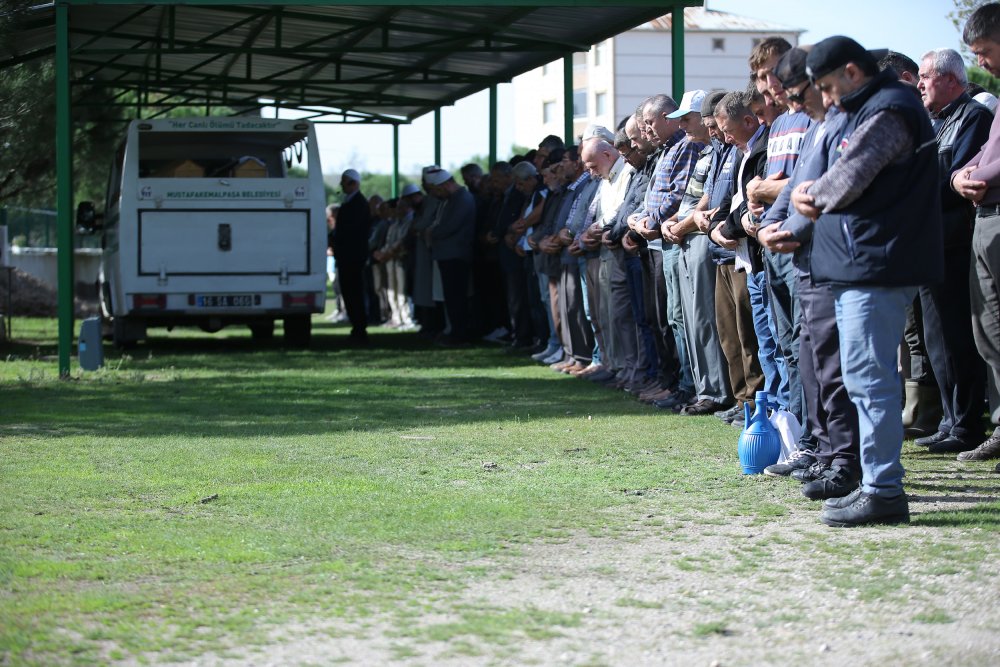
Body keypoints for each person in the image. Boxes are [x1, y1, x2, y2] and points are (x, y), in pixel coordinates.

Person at [794, 36, 941, 526]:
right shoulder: (873, 105)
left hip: (877, 265)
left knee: (870, 380)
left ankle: (883, 491)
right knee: (863, 378)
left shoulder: (889, 109)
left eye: (828, 87)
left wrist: (809, 194)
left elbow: (849, 177)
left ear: (853, 72)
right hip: (863, 263)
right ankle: (877, 484)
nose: (827, 99)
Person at [912, 48, 993, 455]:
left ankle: (966, 423)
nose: (919, 84)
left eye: (925, 76)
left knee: (957, 336)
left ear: (949, 79)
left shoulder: (973, 117)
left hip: (956, 243)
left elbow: (956, 181)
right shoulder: (934, 121)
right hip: (930, 244)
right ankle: (949, 419)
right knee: (935, 338)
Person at [951, 2, 1000, 467]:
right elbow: (983, 153)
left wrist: (976, 176)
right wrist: (959, 176)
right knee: (988, 331)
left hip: (996, 215)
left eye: (984, 51)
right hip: (984, 219)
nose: (980, 62)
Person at [424, 168, 477, 345]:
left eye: (438, 189)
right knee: (452, 297)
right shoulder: (452, 199)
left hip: (456, 255)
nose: (437, 194)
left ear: (446, 184)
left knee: (456, 297)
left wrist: (431, 233)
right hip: (449, 254)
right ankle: (455, 331)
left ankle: (459, 334)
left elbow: (449, 226)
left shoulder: (462, 199)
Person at [331, 168, 371, 344]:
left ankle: (359, 329)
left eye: (345, 182)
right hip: (347, 256)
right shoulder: (351, 202)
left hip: (353, 257)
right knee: (349, 293)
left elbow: (351, 231)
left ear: (354, 183)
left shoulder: (359, 204)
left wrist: (336, 239)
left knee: (354, 293)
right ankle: (357, 327)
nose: (342, 185)